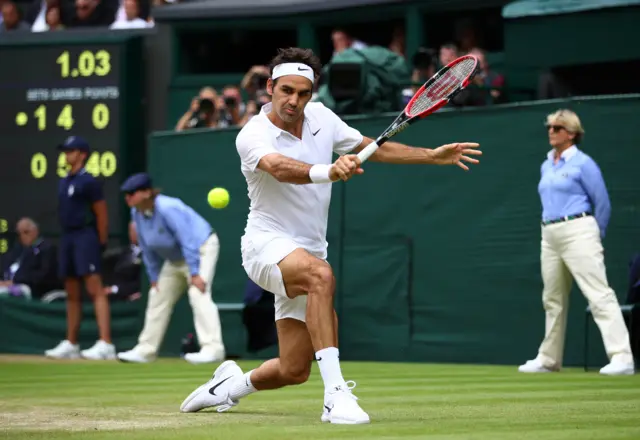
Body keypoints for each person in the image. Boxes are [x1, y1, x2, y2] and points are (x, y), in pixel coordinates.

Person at [179, 47, 481, 424]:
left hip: (307, 250)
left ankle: (226, 387)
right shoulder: (252, 134)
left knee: (293, 369)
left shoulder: (321, 116)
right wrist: (328, 171)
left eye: (303, 93)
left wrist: (430, 155)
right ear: (270, 87)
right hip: (264, 245)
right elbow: (278, 167)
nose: (294, 100)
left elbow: (369, 148)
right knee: (321, 276)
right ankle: (335, 397)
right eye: (286, 90)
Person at [518, 109, 634, 376]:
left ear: (571, 133)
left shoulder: (584, 163)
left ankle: (622, 357)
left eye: (557, 128)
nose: (551, 131)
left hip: (579, 229)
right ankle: (549, 359)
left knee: (598, 293)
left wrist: (595, 234)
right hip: (549, 233)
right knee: (552, 298)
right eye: (549, 127)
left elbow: (602, 201)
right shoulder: (546, 164)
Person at [116, 173, 226, 364]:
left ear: (146, 193)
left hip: (200, 248)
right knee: (157, 296)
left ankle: (213, 349)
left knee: (198, 293)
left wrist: (195, 273)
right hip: (175, 259)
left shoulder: (168, 207)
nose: (127, 197)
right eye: (126, 194)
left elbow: (188, 239)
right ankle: (145, 351)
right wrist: (153, 277)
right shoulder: (136, 213)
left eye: (131, 193)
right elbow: (146, 247)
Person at [45, 136, 114, 360]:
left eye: (71, 151)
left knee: (95, 289)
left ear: (82, 154)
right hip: (68, 237)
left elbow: (101, 213)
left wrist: (99, 242)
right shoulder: (63, 180)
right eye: (65, 151)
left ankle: (105, 343)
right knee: (72, 292)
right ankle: (71, 343)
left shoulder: (89, 182)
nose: (67, 155)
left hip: (86, 237)